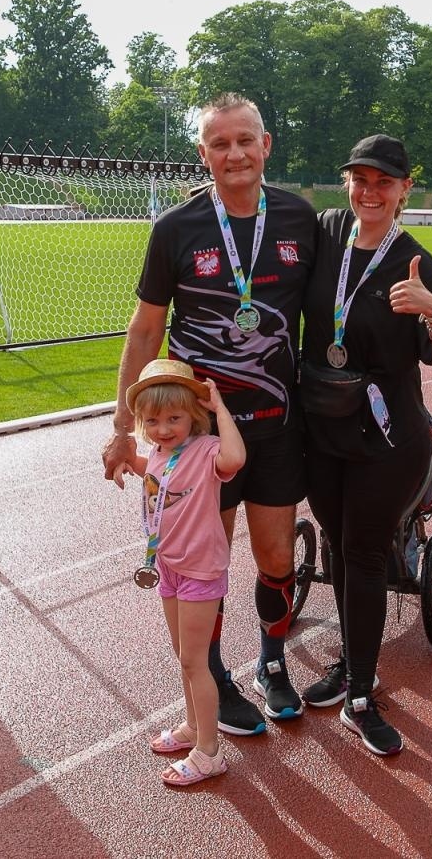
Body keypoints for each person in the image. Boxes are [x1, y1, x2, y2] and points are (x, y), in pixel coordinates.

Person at [103, 93, 317, 735]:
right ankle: (216, 678)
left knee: (278, 557)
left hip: (276, 425)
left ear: (266, 144)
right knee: (205, 564)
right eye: (219, 144)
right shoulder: (175, 228)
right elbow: (145, 332)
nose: (234, 154)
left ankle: (272, 662)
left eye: (244, 140)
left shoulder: (299, 219)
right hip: (197, 439)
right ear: (203, 153)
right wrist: (121, 427)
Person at [296, 134, 432, 756]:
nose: (369, 191)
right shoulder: (328, 230)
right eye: (359, 179)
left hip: (387, 435)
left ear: (404, 190)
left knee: (365, 552)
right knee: (340, 548)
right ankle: (352, 663)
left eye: (383, 182)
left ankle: (361, 695)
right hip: (322, 425)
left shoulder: (415, 262)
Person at [111, 359, 246, 786]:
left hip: (200, 570)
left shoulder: (207, 452)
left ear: (194, 414)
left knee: (195, 659)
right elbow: (149, 472)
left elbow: (236, 457)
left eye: (175, 418)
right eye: (153, 421)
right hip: (166, 566)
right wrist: (122, 462)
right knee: (183, 656)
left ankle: (209, 751)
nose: (164, 428)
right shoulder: (157, 454)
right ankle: (192, 725)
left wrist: (220, 407)